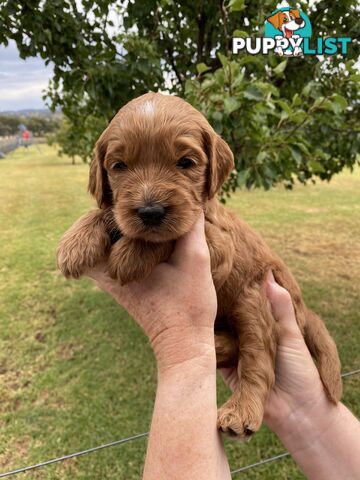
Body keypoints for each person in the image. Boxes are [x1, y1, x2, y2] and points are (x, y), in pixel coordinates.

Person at [88, 213, 360, 480]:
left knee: (255, 302)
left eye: (185, 164)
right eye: (120, 166)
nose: (149, 198)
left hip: (254, 283)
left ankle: (251, 394)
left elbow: (218, 259)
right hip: (222, 318)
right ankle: (231, 345)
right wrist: (95, 224)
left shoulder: (210, 221)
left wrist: (185, 348)